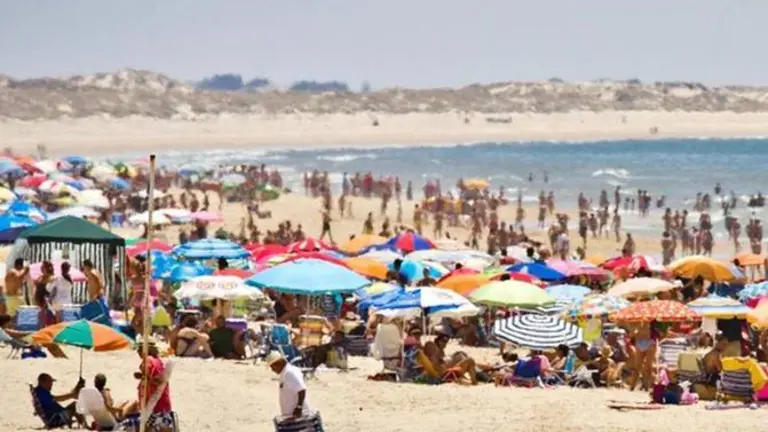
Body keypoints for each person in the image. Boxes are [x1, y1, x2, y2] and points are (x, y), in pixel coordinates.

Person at [267, 352, 311, 419]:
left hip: (299, 415)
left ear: (279, 363)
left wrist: (299, 407)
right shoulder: (284, 373)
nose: (272, 370)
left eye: (273, 367)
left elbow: (302, 390)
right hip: (291, 416)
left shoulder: (290, 372)